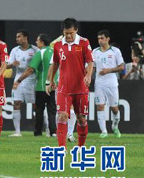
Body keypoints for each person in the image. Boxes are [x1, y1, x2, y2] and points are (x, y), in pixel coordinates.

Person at [46, 18, 94, 148]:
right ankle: (62, 149)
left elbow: (90, 61)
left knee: (81, 119)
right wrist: (50, 81)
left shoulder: (84, 43)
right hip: (64, 87)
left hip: (80, 87)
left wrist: (88, 75)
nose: (68, 36)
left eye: (71, 33)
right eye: (66, 33)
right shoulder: (57, 45)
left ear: (76, 30)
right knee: (62, 116)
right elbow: (55, 63)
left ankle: (80, 147)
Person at [15, 34, 56, 137]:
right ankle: (53, 132)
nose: (36, 43)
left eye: (37, 41)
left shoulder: (40, 53)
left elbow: (30, 70)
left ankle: (38, 132)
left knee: (39, 110)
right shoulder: (55, 52)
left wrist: (19, 80)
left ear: (42, 42)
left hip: (42, 86)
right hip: (54, 86)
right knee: (52, 110)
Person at [93, 30, 124, 138]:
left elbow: (121, 66)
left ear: (107, 39)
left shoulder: (115, 51)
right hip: (99, 84)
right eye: (98, 38)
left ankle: (115, 126)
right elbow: (92, 67)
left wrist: (109, 70)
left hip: (112, 83)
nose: (100, 40)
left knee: (114, 108)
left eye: (102, 38)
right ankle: (104, 131)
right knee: (100, 106)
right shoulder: (95, 51)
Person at [7, 30, 39, 137]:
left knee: (36, 106)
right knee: (16, 104)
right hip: (18, 80)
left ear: (25, 38)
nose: (17, 39)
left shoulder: (35, 50)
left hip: (32, 81)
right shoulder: (14, 50)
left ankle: (41, 130)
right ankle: (17, 132)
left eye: (19, 37)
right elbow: (6, 65)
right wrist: (12, 64)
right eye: (16, 37)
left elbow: (40, 64)